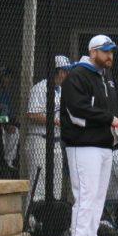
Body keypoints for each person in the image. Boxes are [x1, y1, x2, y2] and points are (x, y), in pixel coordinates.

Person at [60, 35, 118, 236]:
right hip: (83, 144)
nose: (110, 56)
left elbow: (116, 105)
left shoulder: (105, 77)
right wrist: (109, 118)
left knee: (98, 199)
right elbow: (77, 108)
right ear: (93, 52)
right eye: (106, 51)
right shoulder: (77, 74)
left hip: (104, 144)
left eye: (112, 51)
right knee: (86, 197)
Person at [26, 55, 71, 202]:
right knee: (38, 186)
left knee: (56, 186)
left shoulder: (60, 90)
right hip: (39, 140)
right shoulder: (40, 88)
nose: (67, 75)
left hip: (56, 141)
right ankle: (31, 222)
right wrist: (57, 122)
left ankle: (52, 221)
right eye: (65, 71)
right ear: (58, 71)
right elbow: (32, 114)